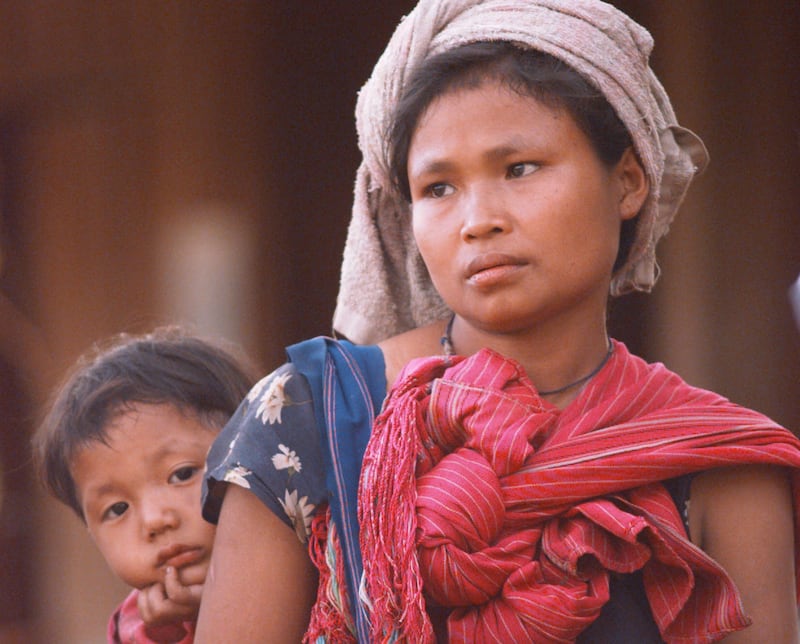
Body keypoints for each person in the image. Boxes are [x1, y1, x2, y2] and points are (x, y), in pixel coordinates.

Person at [196, 1, 800, 642]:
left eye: (520, 169)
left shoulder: (719, 465)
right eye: (438, 188)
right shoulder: (317, 414)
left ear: (627, 181)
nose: (477, 218)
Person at [33, 327, 257, 643]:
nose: (155, 520)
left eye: (182, 475)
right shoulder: (137, 629)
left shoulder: (316, 561)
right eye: (117, 509)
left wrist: (225, 607)